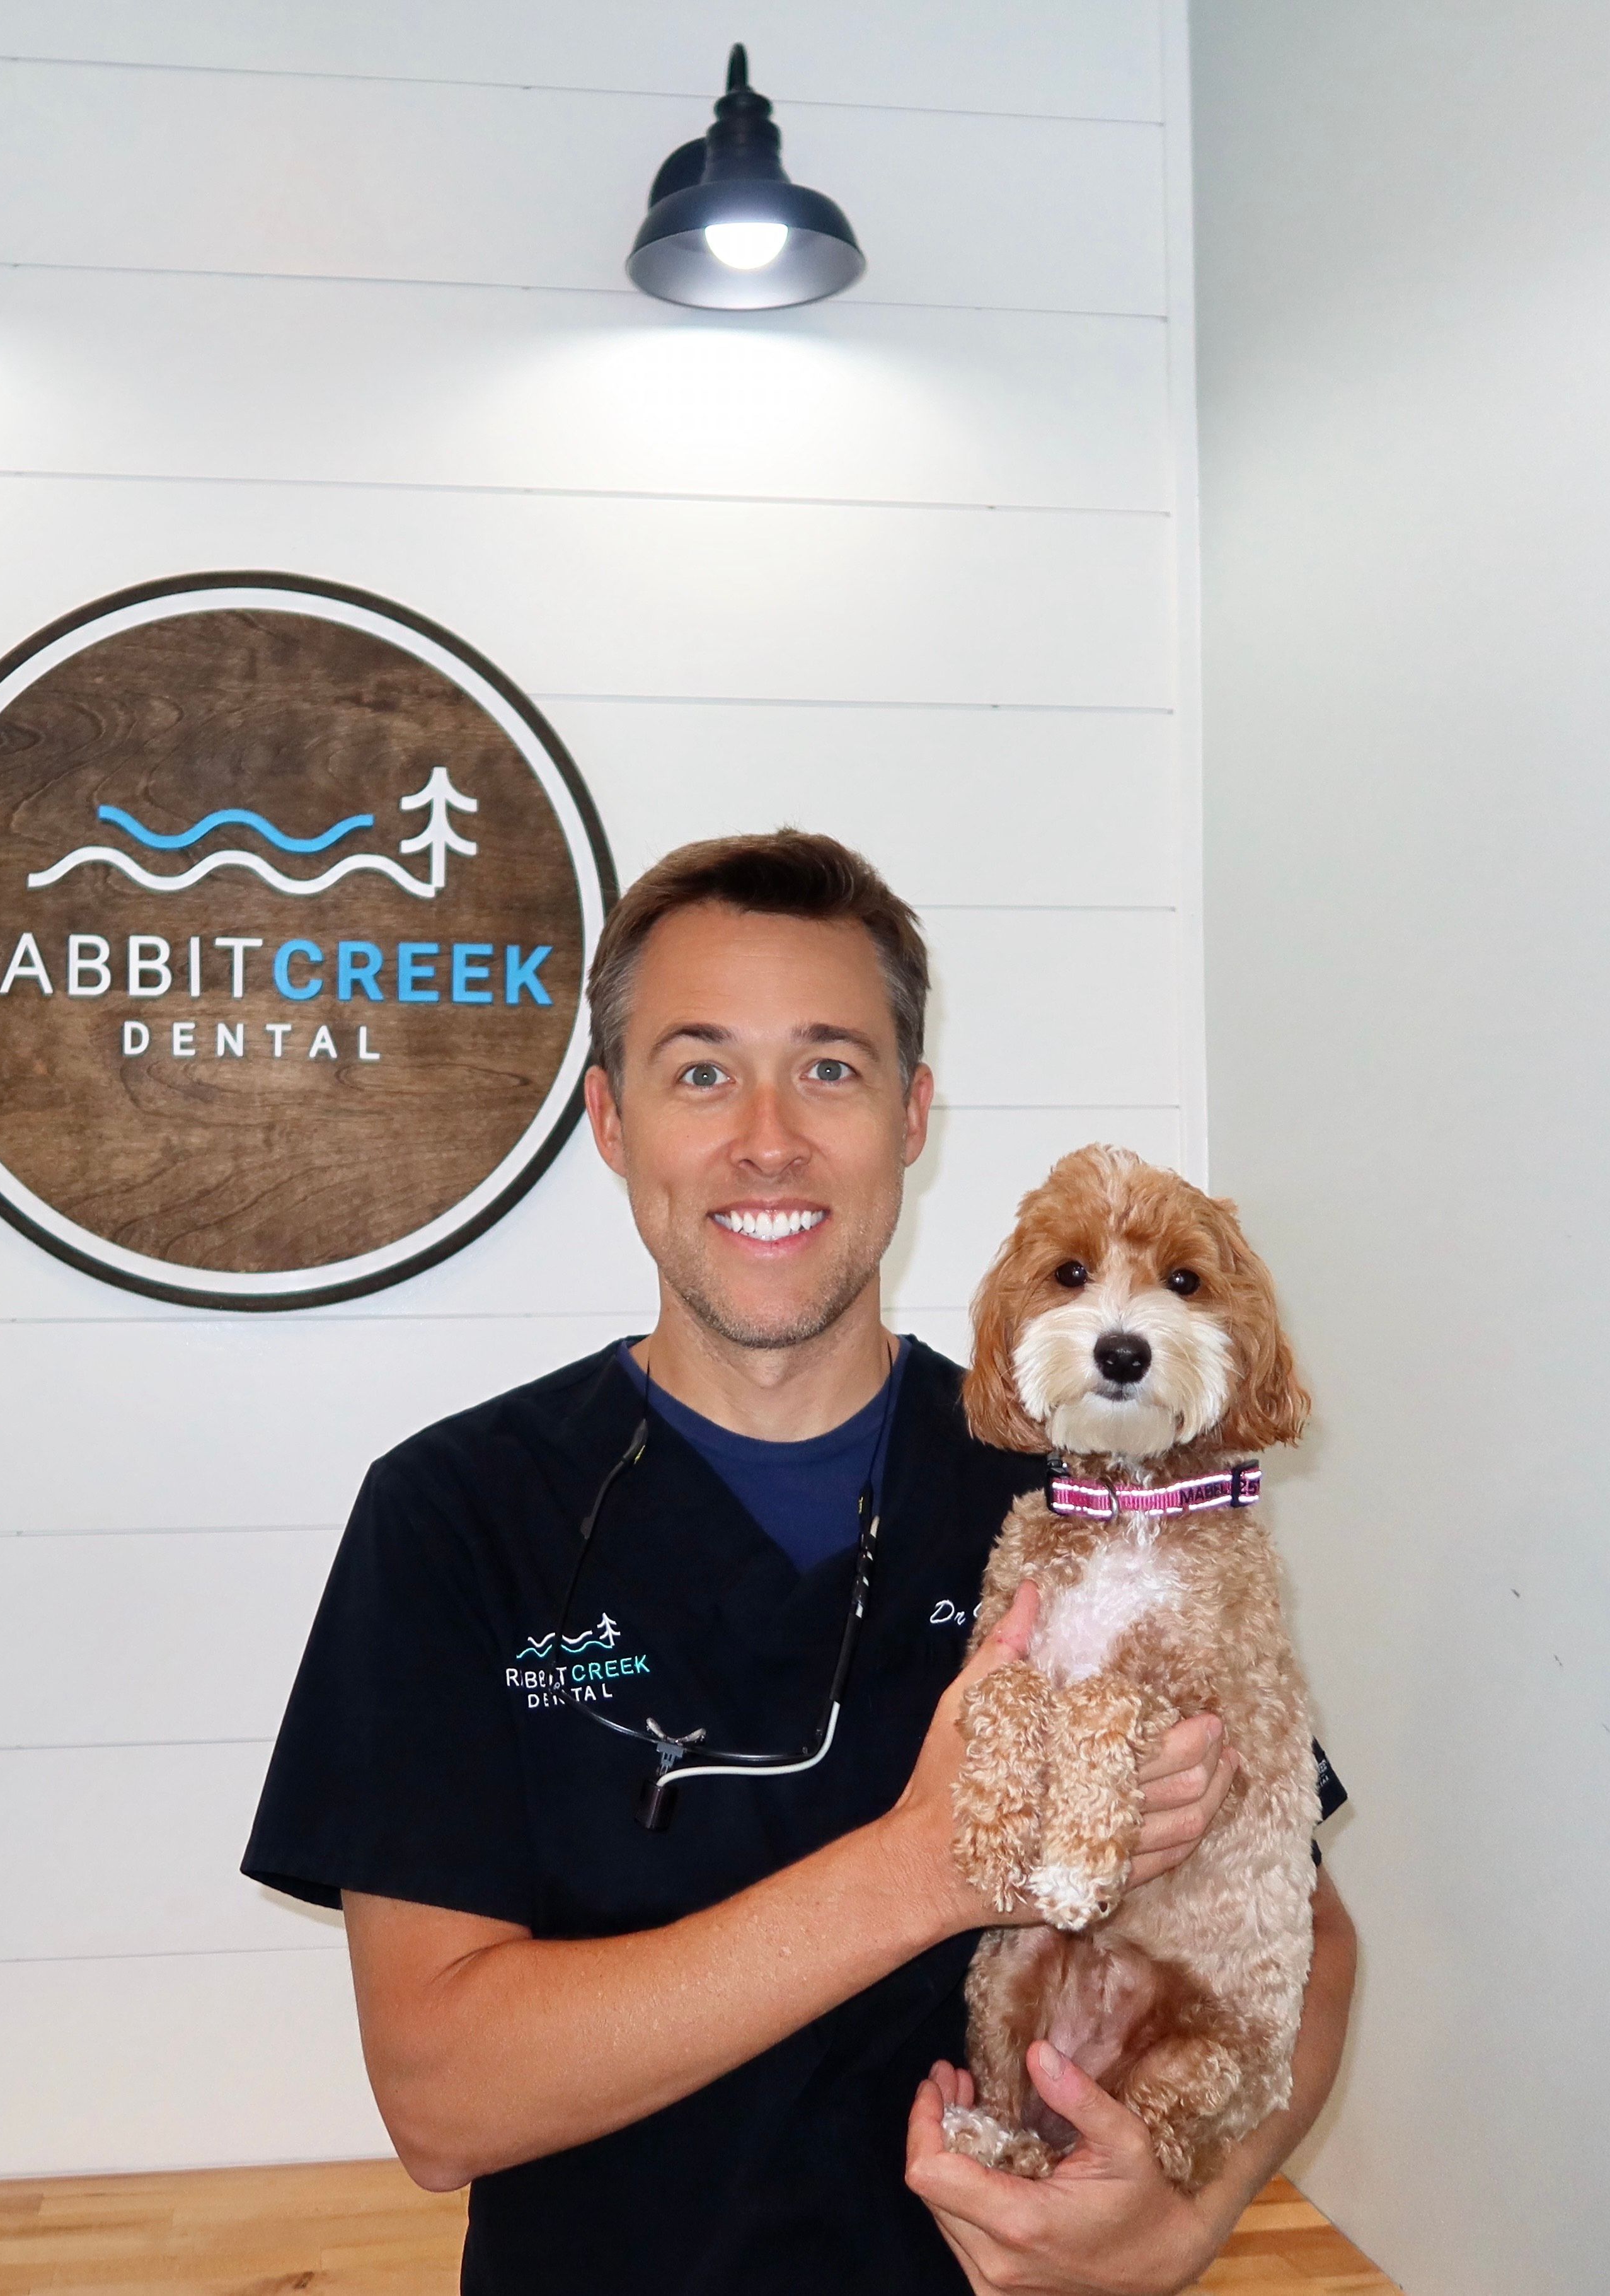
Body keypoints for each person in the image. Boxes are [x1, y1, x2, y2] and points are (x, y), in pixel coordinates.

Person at [242, 832, 1356, 2294]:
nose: (767, 1138)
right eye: (700, 1070)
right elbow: (442, 2095)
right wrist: (926, 1867)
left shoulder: (1085, 1490)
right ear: (609, 1120)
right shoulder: (455, 1514)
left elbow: (1305, 1929)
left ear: (912, 1114)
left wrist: (1178, 2217)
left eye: (829, 1067)